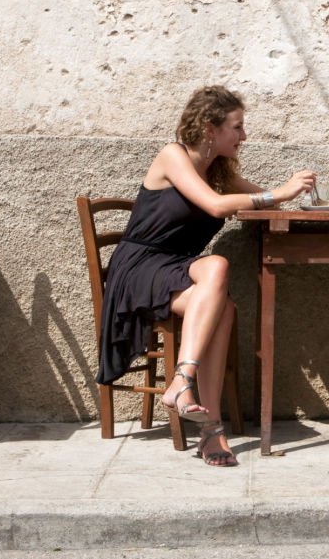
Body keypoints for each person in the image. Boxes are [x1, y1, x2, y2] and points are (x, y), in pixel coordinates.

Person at [96, 85, 316, 466]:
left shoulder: (217, 171)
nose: (244, 136)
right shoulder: (173, 156)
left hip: (177, 269)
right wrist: (279, 194)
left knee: (224, 307)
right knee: (216, 266)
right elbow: (216, 207)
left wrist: (301, 199)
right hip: (140, 269)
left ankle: (206, 423)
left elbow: (263, 198)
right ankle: (187, 389)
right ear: (211, 127)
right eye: (238, 127)